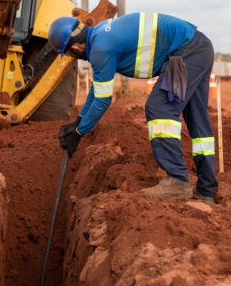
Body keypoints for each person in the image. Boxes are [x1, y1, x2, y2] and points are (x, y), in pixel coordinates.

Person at [49, 13, 218, 205]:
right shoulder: (99, 34)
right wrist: (79, 122)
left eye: (70, 55)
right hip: (199, 47)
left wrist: (80, 133)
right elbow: (97, 88)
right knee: (197, 118)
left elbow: (103, 101)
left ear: (74, 48)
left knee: (159, 109)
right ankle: (206, 191)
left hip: (185, 51)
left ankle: (177, 180)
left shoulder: (100, 49)